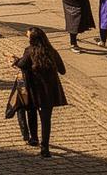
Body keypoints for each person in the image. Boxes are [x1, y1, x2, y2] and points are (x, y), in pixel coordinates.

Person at [14, 27, 68, 157]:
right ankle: (45, 148)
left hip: (33, 89)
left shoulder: (29, 51)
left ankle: (34, 138)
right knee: (46, 120)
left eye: (28, 36)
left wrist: (14, 60)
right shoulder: (52, 51)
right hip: (49, 91)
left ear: (32, 39)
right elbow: (62, 70)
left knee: (31, 111)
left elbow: (22, 64)